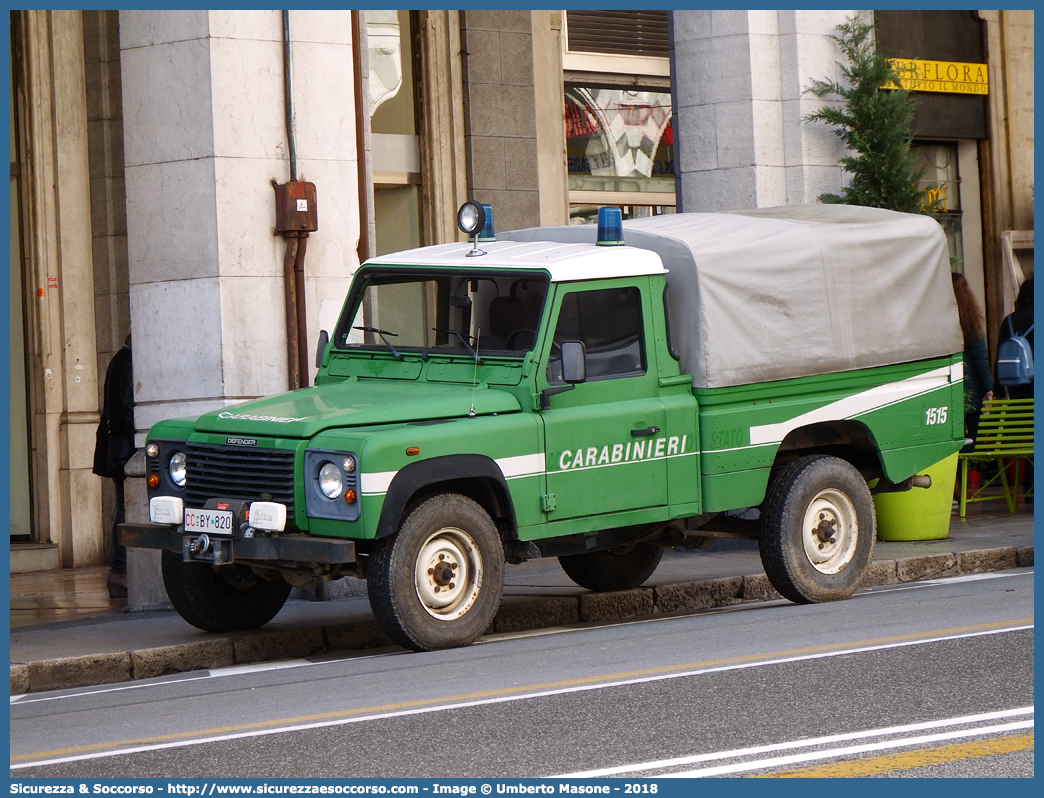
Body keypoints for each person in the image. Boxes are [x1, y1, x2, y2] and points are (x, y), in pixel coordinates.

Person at [93, 333, 135, 599]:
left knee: (122, 508)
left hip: (115, 448)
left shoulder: (118, 360)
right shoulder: (129, 362)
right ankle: (120, 572)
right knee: (125, 510)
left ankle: (118, 574)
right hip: (126, 449)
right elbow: (130, 409)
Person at [950, 273, 992, 450]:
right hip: (971, 388)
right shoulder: (972, 323)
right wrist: (988, 387)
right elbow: (980, 359)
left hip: (948, 385)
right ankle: (968, 473)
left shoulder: (940, 322)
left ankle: (957, 473)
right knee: (973, 432)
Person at [994, 276, 1034, 401]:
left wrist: (998, 390)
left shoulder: (1009, 320)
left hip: (1015, 381)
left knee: (1019, 417)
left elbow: (1000, 356)